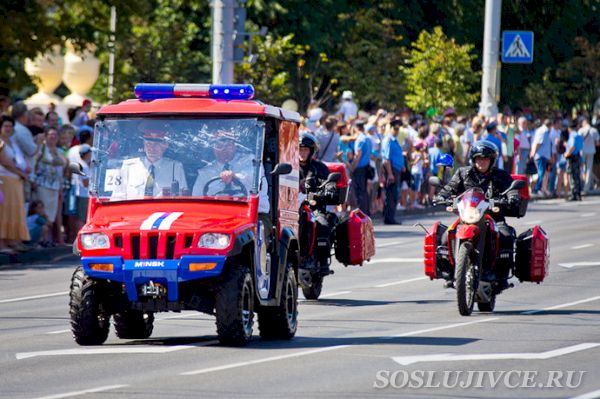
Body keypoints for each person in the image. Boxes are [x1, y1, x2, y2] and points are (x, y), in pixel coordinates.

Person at [434, 141, 520, 289]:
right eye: (479, 158)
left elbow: (511, 189)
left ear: (491, 160)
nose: (482, 161)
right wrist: (442, 196)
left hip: (493, 217)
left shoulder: (500, 175)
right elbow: (449, 188)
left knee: (506, 237)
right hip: (467, 217)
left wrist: (512, 197)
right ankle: (449, 273)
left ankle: (500, 276)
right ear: (473, 159)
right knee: (444, 238)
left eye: (485, 159)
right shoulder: (463, 173)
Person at [298, 132, 339, 274]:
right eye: (300, 149)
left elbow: (330, 183)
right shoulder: (290, 167)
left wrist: (329, 190)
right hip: (292, 207)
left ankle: (322, 262)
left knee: (323, 224)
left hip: (314, 208)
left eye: (305, 150)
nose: (302, 153)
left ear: (311, 151)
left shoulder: (319, 168)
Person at [112, 124, 187, 200]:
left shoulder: (175, 168)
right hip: (134, 211)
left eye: (156, 144)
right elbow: (117, 198)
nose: (152, 148)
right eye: (148, 143)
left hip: (163, 211)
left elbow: (182, 198)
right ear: (144, 144)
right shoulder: (128, 167)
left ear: (165, 145)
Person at [381, 120, 405, 225]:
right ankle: (389, 218)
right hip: (391, 170)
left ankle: (390, 217)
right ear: (390, 128)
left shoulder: (394, 140)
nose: (396, 131)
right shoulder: (388, 140)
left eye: (398, 129)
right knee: (391, 194)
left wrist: (402, 165)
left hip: (396, 169)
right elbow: (386, 159)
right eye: (395, 128)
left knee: (394, 194)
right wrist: (390, 174)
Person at [348, 119, 372, 216]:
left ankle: (361, 213)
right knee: (364, 191)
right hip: (366, 167)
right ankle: (366, 212)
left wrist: (352, 168)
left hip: (359, 168)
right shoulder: (367, 139)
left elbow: (357, 155)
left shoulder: (360, 139)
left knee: (359, 192)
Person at [565, 120, 584, 201]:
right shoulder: (579, 136)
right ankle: (578, 194)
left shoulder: (572, 135)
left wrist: (567, 154)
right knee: (577, 175)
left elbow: (572, 146)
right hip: (578, 156)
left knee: (572, 175)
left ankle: (574, 194)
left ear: (569, 128)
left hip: (572, 157)